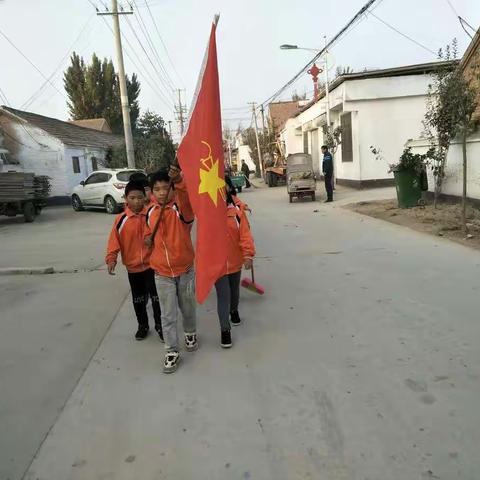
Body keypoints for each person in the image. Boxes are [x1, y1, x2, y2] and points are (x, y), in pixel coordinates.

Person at [147, 167, 197, 374]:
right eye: (156, 189)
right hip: (162, 274)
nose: (161, 193)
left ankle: (190, 332)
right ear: (151, 192)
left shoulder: (181, 209)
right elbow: (144, 233)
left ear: (172, 190)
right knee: (167, 315)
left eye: (165, 188)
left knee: (187, 308)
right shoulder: (149, 213)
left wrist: (179, 182)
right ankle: (171, 350)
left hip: (184, 269)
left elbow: (186, 202)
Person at [105, 180, 163, 341]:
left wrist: (152, 239)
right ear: (126, 199)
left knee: (156, 299)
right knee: (138, 300)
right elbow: (113, 241)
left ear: (145, 198)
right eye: (132, 198)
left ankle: (160, 326)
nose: (136, 201)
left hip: (153, 266)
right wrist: (111, 259)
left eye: (139, 198)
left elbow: (161, 236)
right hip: (133, 269)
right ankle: (143, 326)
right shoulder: (120, 220)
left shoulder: (151, 215)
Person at [214, 177, 256, 348]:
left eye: (222, 190)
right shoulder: (207, 217)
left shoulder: (237, 214)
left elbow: (245, 236)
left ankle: (234, 310)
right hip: (216, 265)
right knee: (223, 295)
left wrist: (248, 255)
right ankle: (225, 329)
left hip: (235, 261)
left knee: (234, 293)